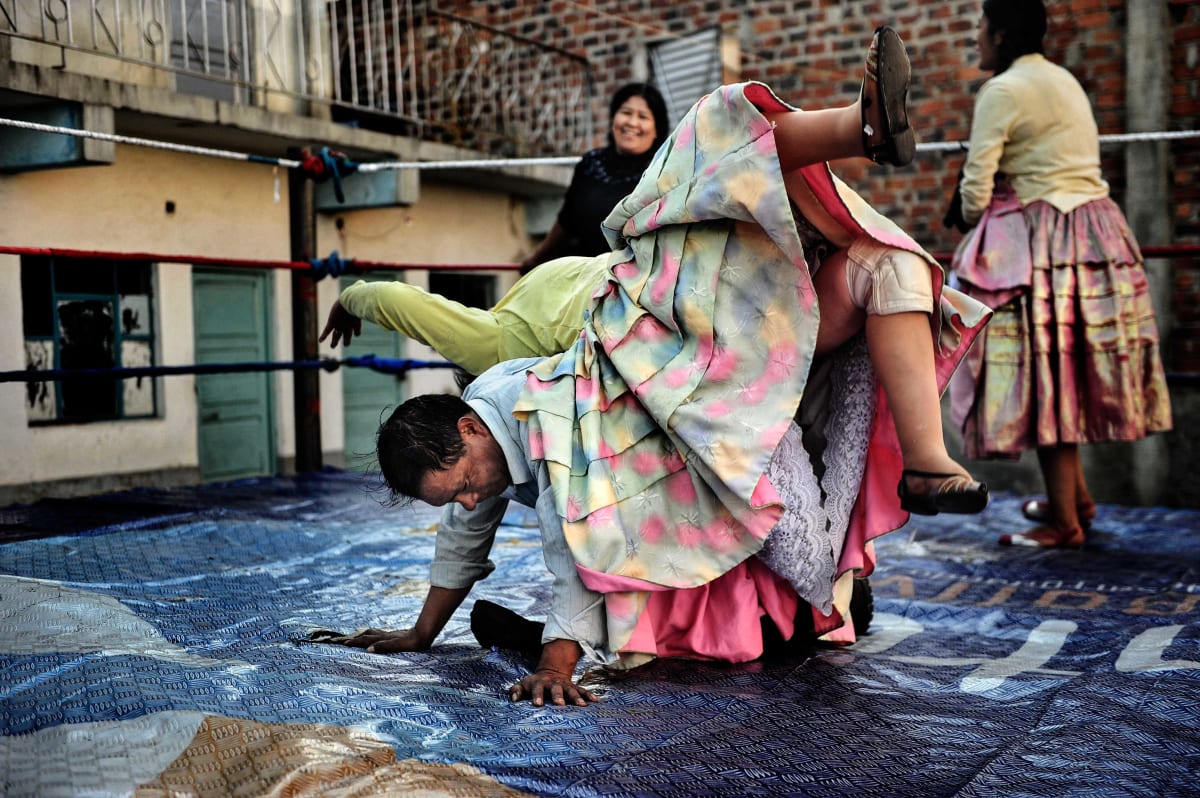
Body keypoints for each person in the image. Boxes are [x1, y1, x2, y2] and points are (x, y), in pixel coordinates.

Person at [322, 27, 993, 706]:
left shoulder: (543, 364)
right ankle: (861, 130)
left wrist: (554, 662)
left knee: (891, 266)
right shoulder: (517, 411)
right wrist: (424, 634)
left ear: (468, 432)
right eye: (459, 495)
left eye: (463, 484)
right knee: (756, 569)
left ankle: (926, 457)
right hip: (730, 364)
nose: (471, 500)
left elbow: (565, 544)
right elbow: (490, 535)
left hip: (709, 338)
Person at [946, 0, 1172, 548]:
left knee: (1047, 377)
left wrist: (971, 212)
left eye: (979, 28)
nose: (976, 39)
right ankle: (1077, 500)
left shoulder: (1000, 92)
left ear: (998, 33)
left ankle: (1063, 524)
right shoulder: (1065, 80)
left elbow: (975, 194)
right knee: (1066, 371)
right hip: (1097, 234)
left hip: (1043, 237)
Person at [518, 83, 669, 274]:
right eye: (626, 112)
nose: (632, 122)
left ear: (657, 129)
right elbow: (567, 221)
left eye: (643, 116)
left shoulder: (663, 172)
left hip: (637, 284)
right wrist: (537, 258)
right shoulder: (590, 163)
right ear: (613, 118)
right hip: (585, 277)